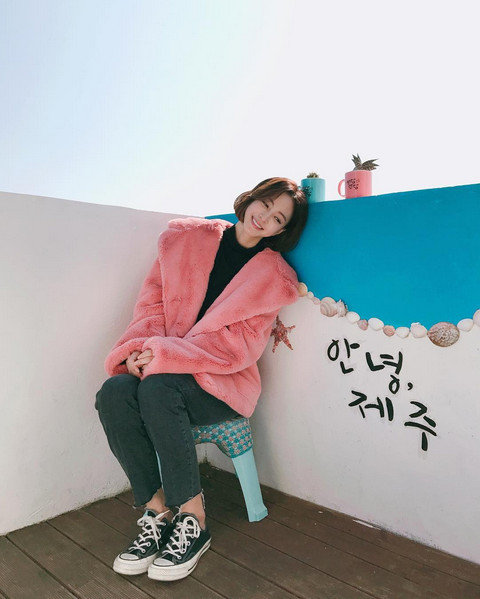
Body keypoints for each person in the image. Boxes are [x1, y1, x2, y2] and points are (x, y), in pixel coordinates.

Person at [94, 177, 308, 582]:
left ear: (282, 230)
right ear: (251, 198)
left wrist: (164, 356)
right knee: (115, 391)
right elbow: (151, 304)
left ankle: (193, 520)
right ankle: (156, 513)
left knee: (158, 387)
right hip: (160, 370)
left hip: (221, 385)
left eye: (279, 218)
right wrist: (138, 351)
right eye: (265, 204)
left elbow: (238, 348)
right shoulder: (185, 240)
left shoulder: (273, 280)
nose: (266, 217)